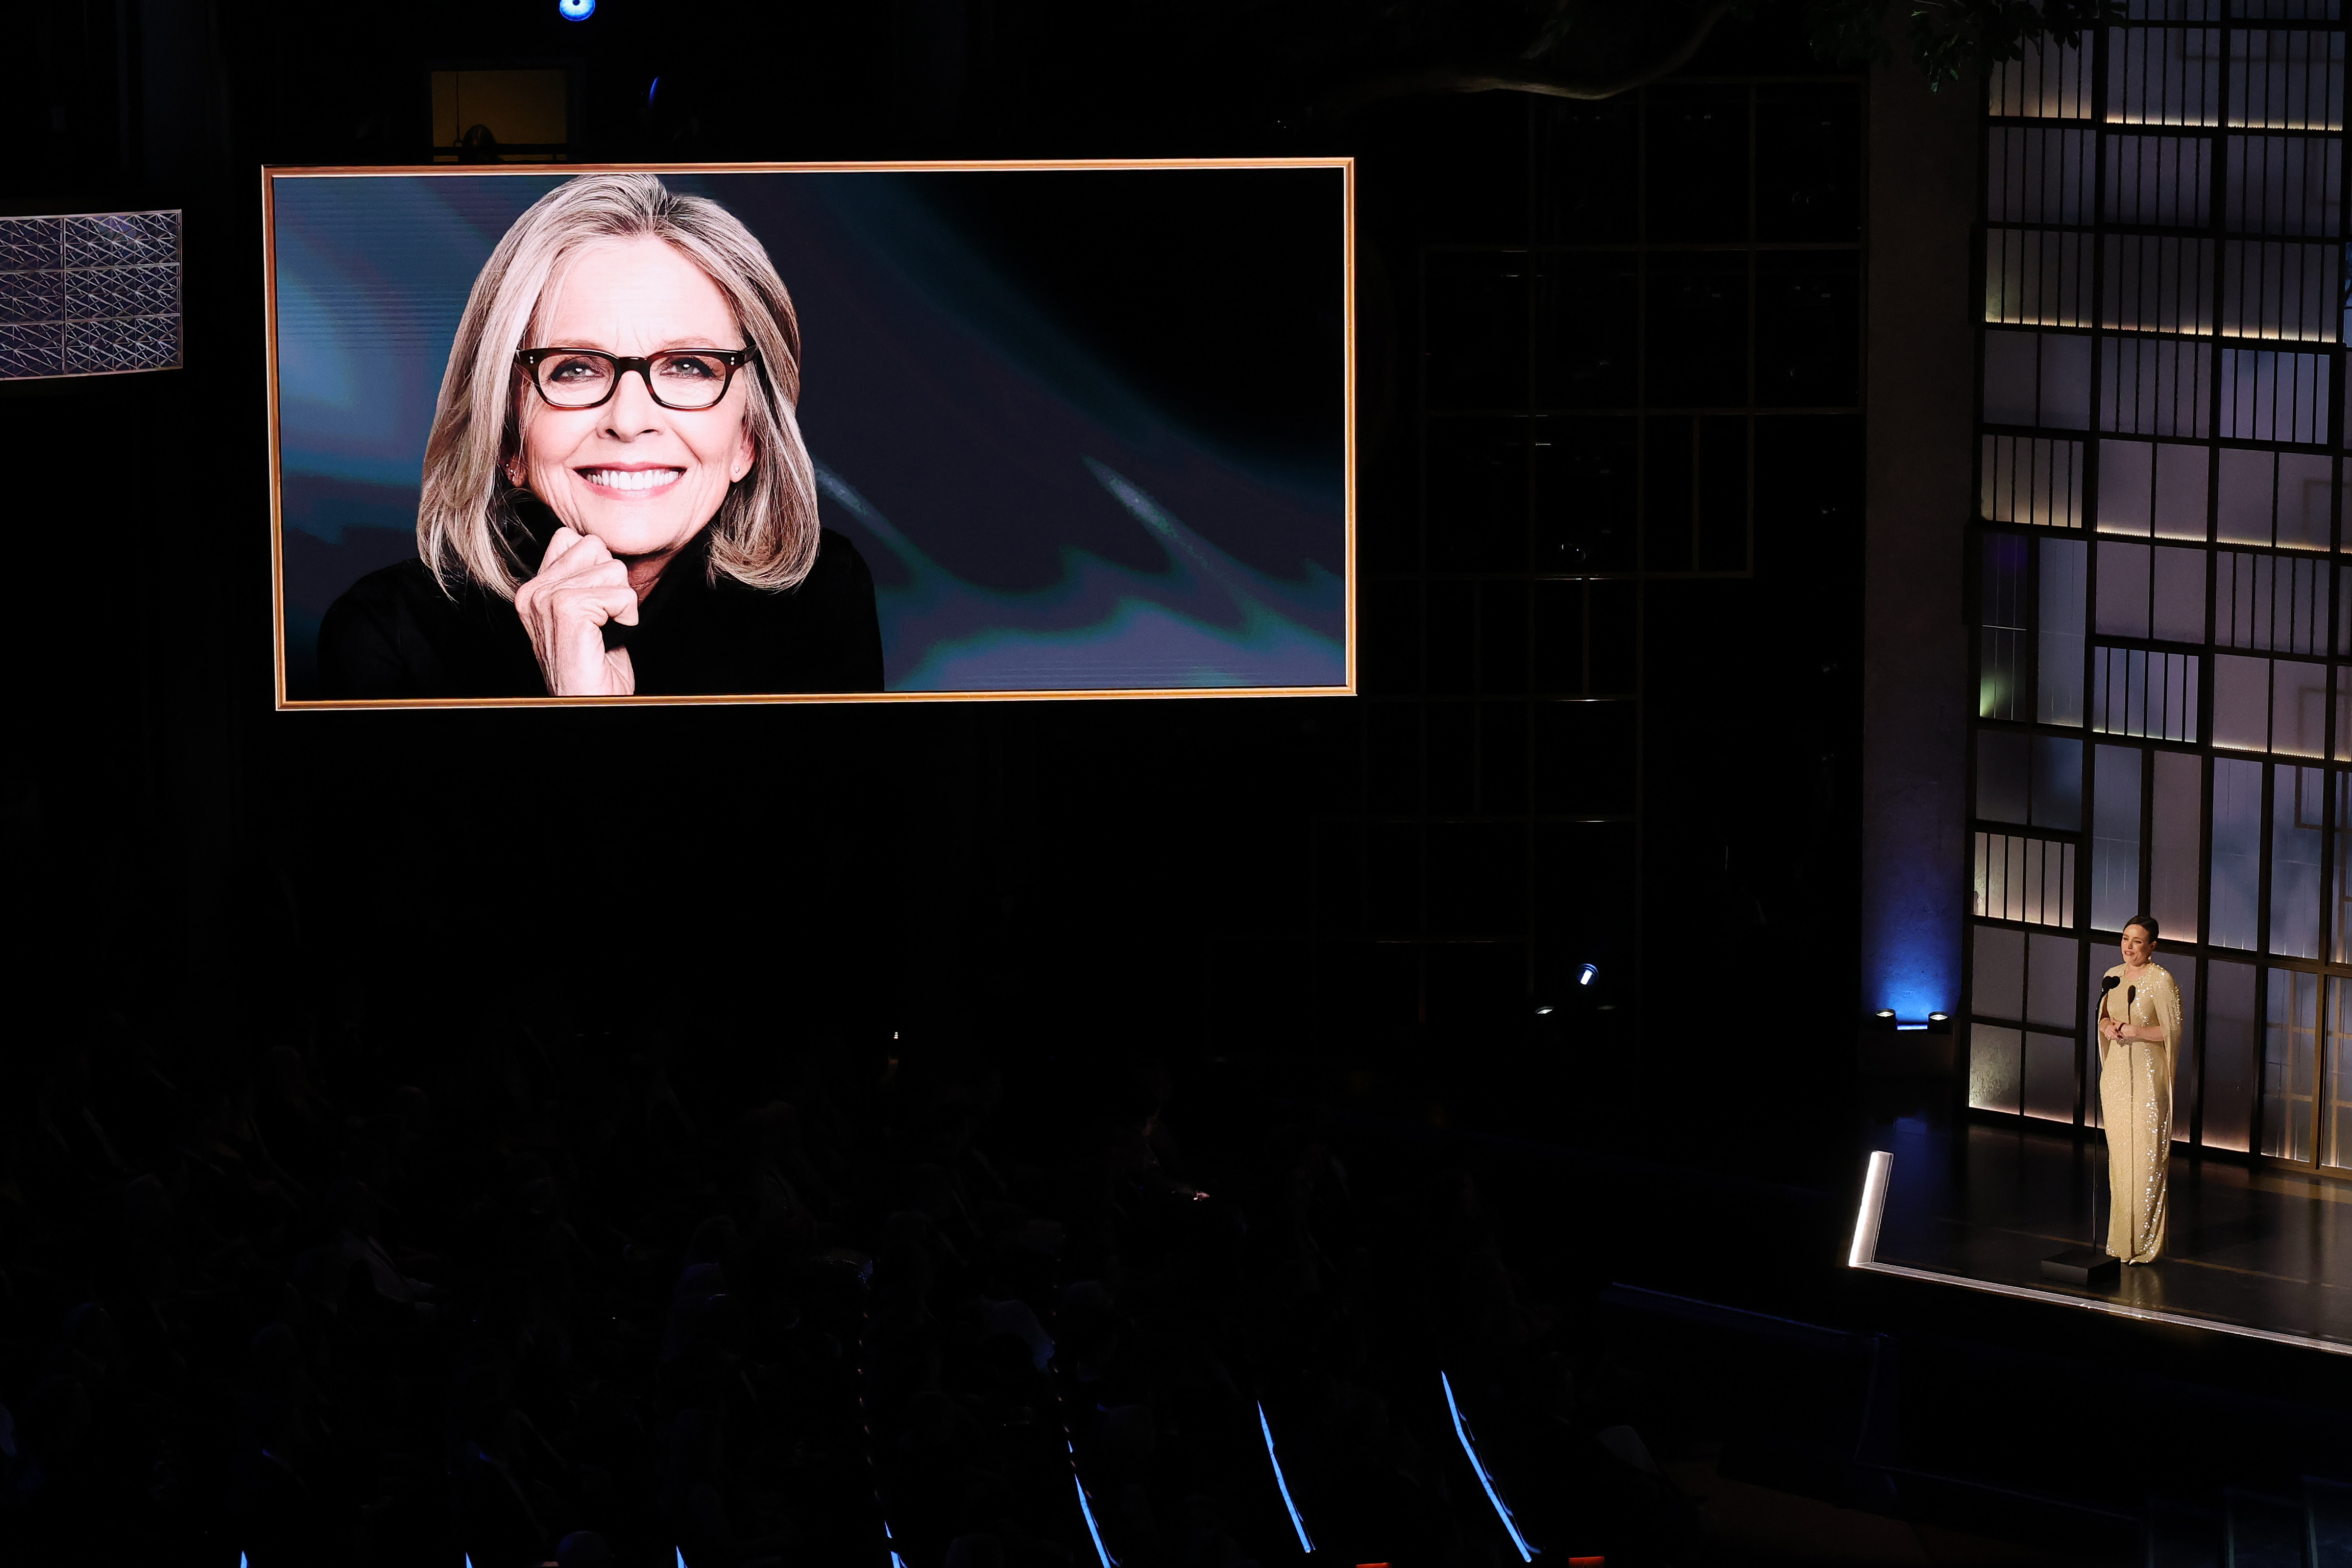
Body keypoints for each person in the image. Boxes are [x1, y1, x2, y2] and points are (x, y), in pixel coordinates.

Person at [319, 174, 883, 699]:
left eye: (688, 366)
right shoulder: (386, 635)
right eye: (575, 368)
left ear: (747, 437)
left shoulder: (820, 599)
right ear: (509, 437)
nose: (630, 418)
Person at [2095, 916, 2180, 1264]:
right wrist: (2109, 1028)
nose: (2129, 947)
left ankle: (2144, 1245)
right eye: (2125, 939)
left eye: (2137, 942)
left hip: (2147, 1075)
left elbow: (2171, 1032)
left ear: (2152, 947)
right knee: (2119, 1161)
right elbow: (2101, 1016)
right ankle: (2119, 1242)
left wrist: (2133, 1031)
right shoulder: (2113, 975)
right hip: (2116, 1075)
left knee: (2145, 1159)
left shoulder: (2161, 981)